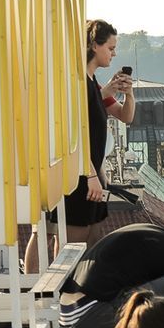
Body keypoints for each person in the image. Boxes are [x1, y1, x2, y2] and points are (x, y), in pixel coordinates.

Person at [28, 18, 135, 268]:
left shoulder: (92, 84)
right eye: (110, 47)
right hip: (78, 176)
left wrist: (128, 93)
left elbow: (125, 115)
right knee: (68, 239)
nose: (114, 53)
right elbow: (70, 134)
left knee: (84, 237)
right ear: (94, 46)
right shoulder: (77, 84)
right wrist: (90, 174)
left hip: (87, 174)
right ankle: (53, 289)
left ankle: (57, 287)